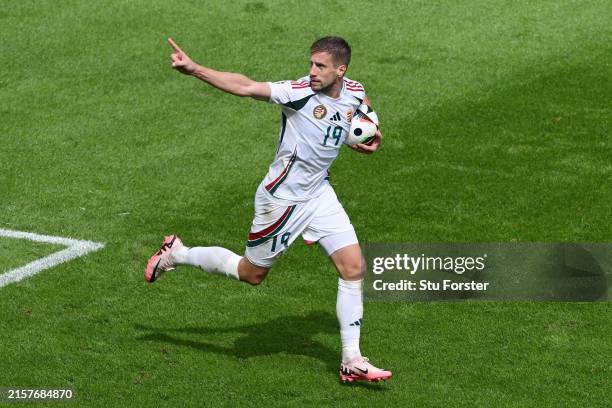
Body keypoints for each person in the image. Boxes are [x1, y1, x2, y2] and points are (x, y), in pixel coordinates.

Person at [145, 36, 392, 383]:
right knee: (251, 274)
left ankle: (351, 359)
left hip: (319, 193)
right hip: (282, 200)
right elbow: (245, 86)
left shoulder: (354, 88)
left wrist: (369, 137)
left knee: (353, 268)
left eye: (320, 66)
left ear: (341, 69)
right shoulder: (298, 93)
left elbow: (362, 114)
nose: (312, 71)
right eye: (311, 63)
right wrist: (195, 69)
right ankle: (178, 253)